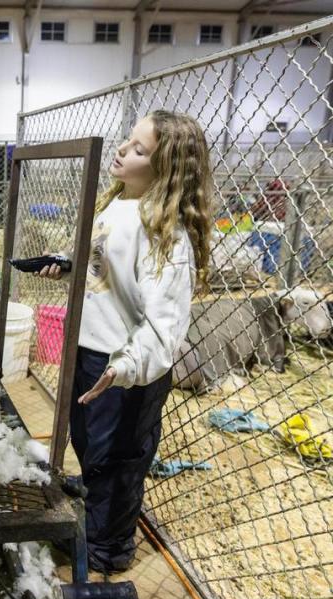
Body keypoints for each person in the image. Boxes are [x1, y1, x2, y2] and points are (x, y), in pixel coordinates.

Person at [39, 111, 212, 573]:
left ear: (167, 169)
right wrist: (70, 268)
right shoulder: (116, 206)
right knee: (90, 442)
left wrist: (124, 369)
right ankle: (94, 513)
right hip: (91, 353)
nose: (121, 150)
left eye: (139, 149)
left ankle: (107, 552)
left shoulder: (166, 235)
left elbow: (164, 325)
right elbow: (108, 274)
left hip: (125, 370)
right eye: (127, 141)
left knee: (117, 460)